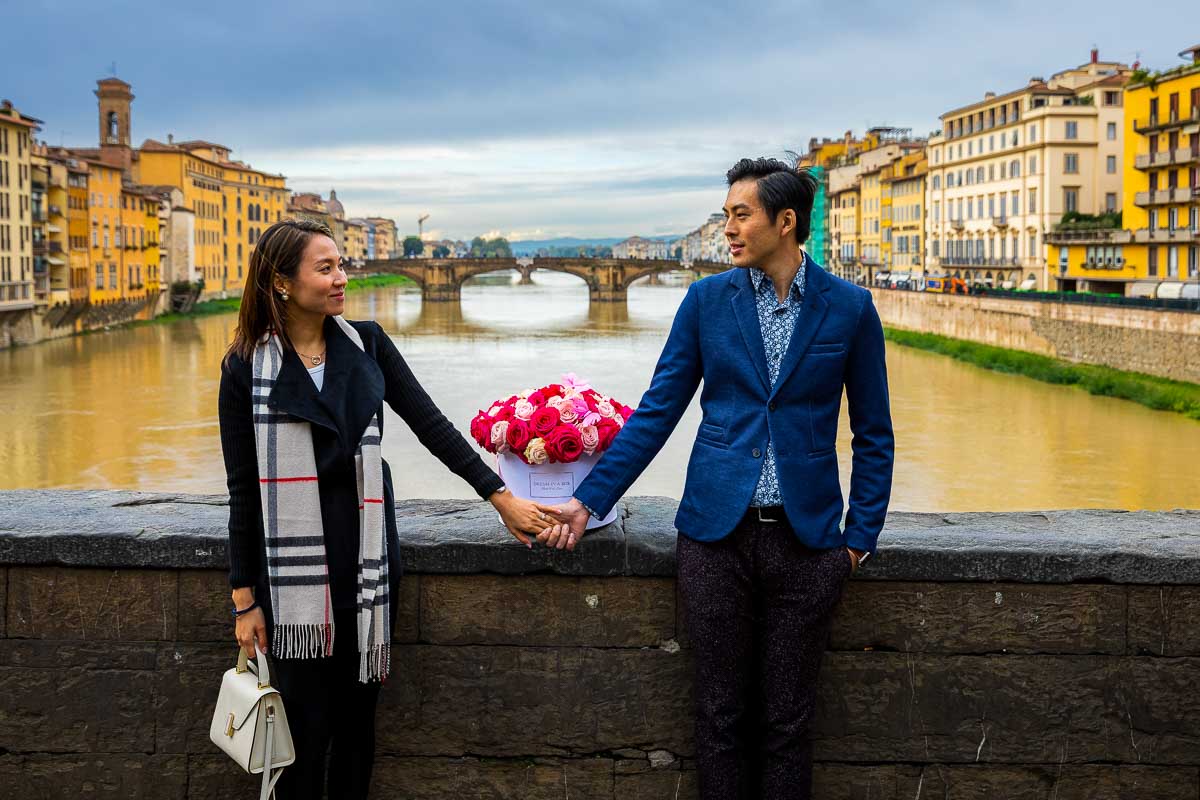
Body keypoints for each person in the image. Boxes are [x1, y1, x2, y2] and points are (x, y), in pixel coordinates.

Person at [540, 158, 894, 798]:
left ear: (785, 223)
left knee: (789, 722)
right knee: (719, 717)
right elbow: (657, 411)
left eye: (741, 215)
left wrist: (858, 540)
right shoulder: (706, 301)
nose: (728, 228)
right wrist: (588, 501)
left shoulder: (851, 308)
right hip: (714, 539)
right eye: (726, 215)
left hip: (808, 543)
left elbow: (874, 432)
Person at [217, 218, 555, 799]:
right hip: (291, 583)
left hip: (368, 567)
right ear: (280, 281)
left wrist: (500, 498)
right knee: (301, 737)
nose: (342, 278)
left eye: (341, 264)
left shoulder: (367, 343)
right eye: (326, 268)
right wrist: (244, 597)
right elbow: (244, 489)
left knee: (356, 729)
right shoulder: (245, 367)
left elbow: (431, 425)